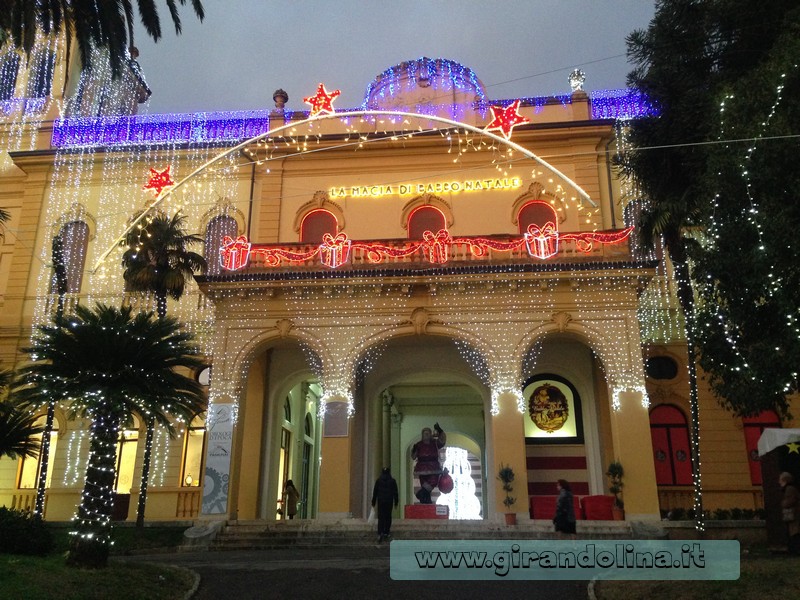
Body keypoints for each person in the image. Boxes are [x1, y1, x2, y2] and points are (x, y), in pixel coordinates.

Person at [411, 422, 446, 504]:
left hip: (434, 467)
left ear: (430, 434)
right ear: (422, 435)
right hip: (422, 468)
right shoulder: (418, 444)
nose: (426, 435)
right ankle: (426, 502)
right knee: (425, 488)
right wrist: (414, 450)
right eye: (425, 433)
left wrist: (440, 430)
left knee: (433, 482)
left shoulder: (435, 443)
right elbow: (413, 456)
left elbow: (443, 441)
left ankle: (420, 493)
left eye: (428, 433)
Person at [372, 467, 399, 542]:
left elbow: (375, 492)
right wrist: (396, 502)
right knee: (388, 516)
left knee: (381, 517)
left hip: (381, 501)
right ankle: (386, 532)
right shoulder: (392, 481)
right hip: (389, 501)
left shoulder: (378, 481)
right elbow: (395, 492)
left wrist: (373, 502)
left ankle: (380, 532)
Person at [779, 472, 799, 553]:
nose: (779, 482)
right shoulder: (790, 488)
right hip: (794, 514)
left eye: (780, 480)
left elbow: (789, 501)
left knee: (794, 533)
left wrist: (783, 503)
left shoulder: (789, 489)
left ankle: (794, 550)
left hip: (794, 515)